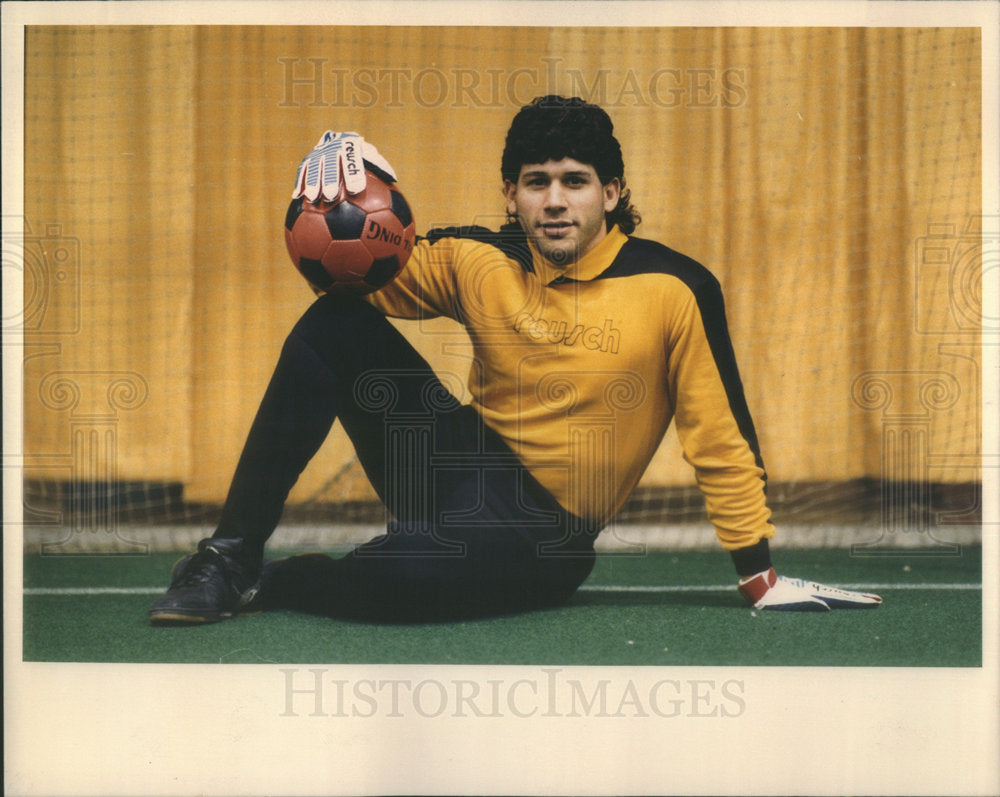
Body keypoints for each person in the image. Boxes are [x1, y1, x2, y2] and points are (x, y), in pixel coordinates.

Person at [149, 95, 881, 625]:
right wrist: (337, 193)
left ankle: (281, 582)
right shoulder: (479, 256)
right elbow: (355, 281)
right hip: (452, 462)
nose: (555, 201)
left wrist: (758, 574)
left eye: (575, 181)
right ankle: (229, 557)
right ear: (512, 194)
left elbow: (719, 436)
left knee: (407, 577)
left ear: (611, 193)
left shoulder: (676, 287)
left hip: (545, 532)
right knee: (330, 324)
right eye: (537, 182)